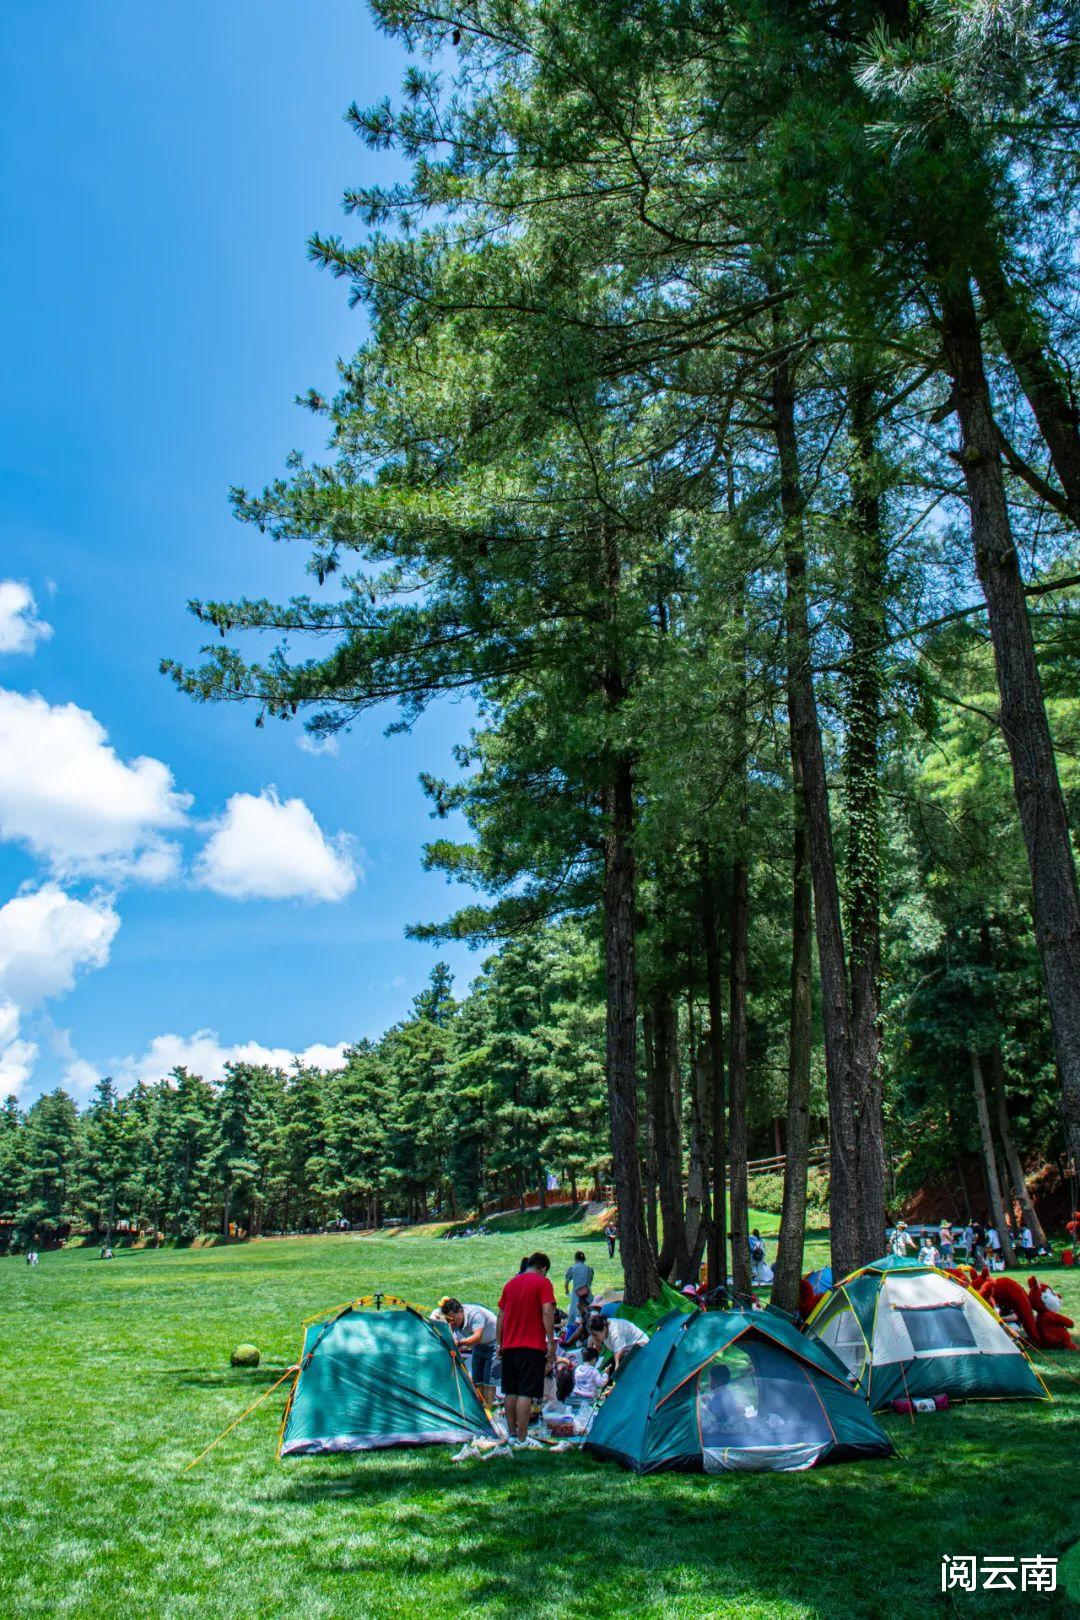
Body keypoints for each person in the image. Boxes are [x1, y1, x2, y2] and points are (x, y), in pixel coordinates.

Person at [496, 1252, 557, 1446]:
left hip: (509, 1345)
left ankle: (512, 1434)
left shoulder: (510, 1284)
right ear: (544, 1268)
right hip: (531, 1345)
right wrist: (550, 1340)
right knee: (525, 1392)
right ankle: (523, 1438)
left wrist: (499, 1342)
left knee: (510, 1391)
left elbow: (500, 1316)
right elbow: (547, 1310)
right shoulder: (542, 1283)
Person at [442, 1298, 498, 1408]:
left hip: (494, 1344)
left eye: (452, 1319)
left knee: (489, 1383)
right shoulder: (454, 1320)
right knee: (477, 1381)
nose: (450, 1322)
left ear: (460, 1312)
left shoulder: (475, 1315)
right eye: (448, 1320)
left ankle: (488, 1415)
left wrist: (459, 1343)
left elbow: (477, 1337)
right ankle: (480, 1411)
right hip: (479, 1346)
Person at [564, 1250, 594, 1327]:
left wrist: (567, 1291)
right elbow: (589, 1283)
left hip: (576, 1294)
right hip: (587, 1294)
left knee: (574, 1313)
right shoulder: (588, 1269)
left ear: (575, 1259)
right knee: (589, 1314)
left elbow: (566, 1283)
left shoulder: (572, 1268)